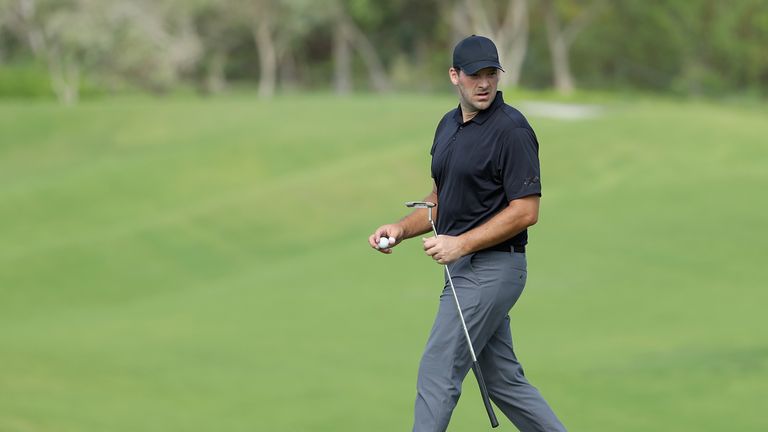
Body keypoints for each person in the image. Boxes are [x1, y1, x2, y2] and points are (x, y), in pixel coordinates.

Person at [367, 35, 567, 432]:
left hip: (494, 269)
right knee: (503, 382)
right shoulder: (447, 126)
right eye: (475, 75)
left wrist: (461, 244)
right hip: (464, 273)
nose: (484, 83)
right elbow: (442, 199)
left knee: (438, 368)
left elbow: (526, 211)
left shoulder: (512, 130)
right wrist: (401, 229)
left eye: (491, 74)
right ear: (454, 75)